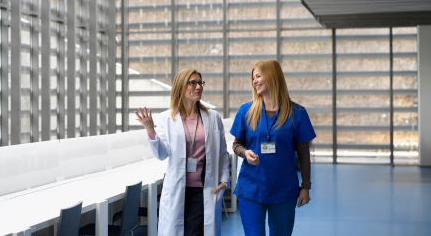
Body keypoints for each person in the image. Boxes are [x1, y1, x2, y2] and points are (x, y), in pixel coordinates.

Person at [135, 69, 230, 236]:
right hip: (178, 190)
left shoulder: (213, 117)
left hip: (204, 190)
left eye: (200, 82)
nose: (198, 86)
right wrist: (151, 131)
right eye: (192, 82)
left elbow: (222, 153)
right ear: (180, 87)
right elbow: (161, 154)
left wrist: (224, 180)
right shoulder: (167, 118)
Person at [231, 60, 315, 236]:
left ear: (273, 76)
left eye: (258, 76)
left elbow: (303, 153)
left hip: (283, 190)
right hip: (251, 187)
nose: (254, 81)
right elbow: (237, 145)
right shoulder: (246, 110)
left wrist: (305, 186)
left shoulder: (297, 113)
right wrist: (245, 153)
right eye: (253, 77)